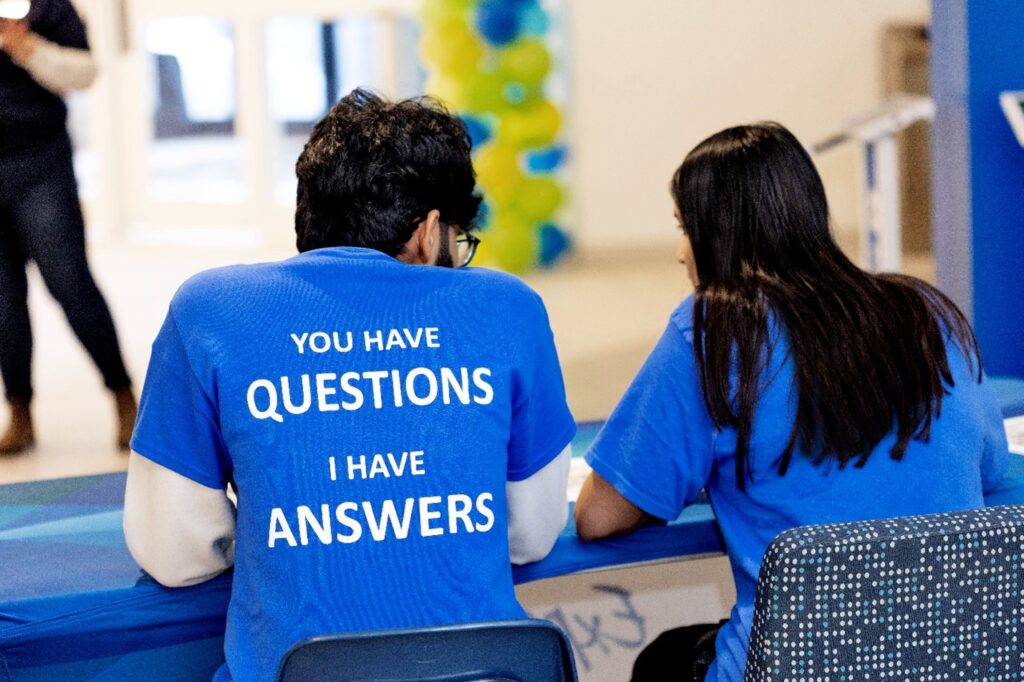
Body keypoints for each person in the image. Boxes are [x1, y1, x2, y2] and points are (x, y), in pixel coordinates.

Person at [123, 89, 576, 682]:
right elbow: (531, 534)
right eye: (460, 243)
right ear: (430, 232)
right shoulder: (505, 307)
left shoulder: (212, 311)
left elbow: (173, 552)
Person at [574, 123, 1010, 682]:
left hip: (797, 668)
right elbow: (989, 470)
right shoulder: (927, 313)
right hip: (959, 665)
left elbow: (598, 516)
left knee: (663, 661)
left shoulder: (714, 331)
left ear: (718, 235)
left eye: (687, 231)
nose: (681, 255)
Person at [0, 0, 136, 453]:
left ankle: (123, 394)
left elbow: (84, 72)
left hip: (41, 166)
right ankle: (19, 409)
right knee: (3, 305)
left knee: (71, 285)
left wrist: (26, 46)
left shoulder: (48, 6)